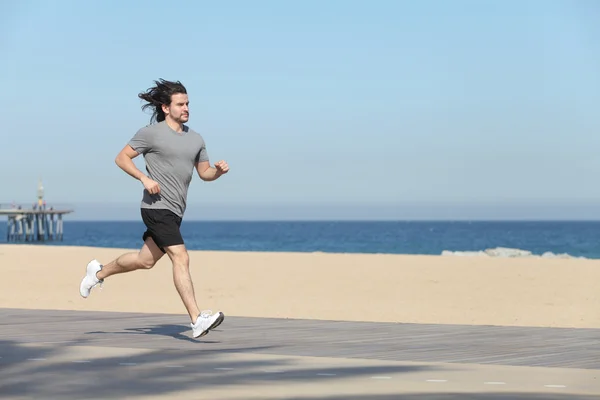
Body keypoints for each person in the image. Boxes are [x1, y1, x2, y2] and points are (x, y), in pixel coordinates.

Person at [79, 79, 227, 339]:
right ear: (166, 108)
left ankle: (98, 272)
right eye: (180, 104)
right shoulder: (151, 134)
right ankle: (196, 320)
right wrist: (144, 178)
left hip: (176, 211)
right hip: (156, 207)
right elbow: (121, 157)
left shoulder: (196, 139)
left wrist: (218, 172)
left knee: (144, 261)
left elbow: (204, 173)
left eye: (188, 103)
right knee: (181, 257)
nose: (186, 108)